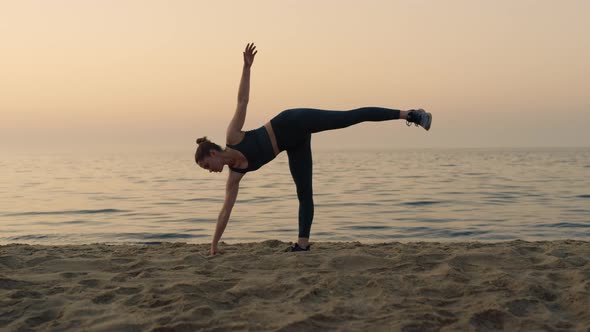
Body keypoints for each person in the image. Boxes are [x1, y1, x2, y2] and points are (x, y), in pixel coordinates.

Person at [195, 43, 432, 255]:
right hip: (293, 145)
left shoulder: (233, 136)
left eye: (207, 165)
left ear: (213, 153)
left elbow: (242, 101)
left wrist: (246, 68)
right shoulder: (233, 178)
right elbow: (226, 211)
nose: (209, 170)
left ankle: (410, 114)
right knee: (304, 192)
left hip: (293, 121)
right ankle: (303, 245)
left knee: (348, 118)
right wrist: (214, 245)